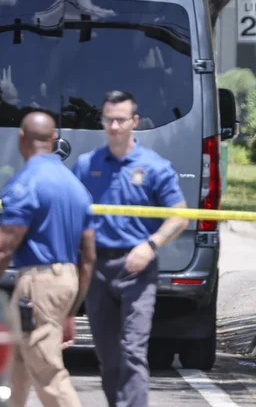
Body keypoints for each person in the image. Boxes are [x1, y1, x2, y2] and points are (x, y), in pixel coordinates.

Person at [72, 91, 189, 406]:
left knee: (132, 352)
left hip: (137, 270)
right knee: (108, 357)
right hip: (97, 269)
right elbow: (71, 212)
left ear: (134, 121)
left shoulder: (154, 166)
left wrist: (150, 246)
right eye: (109, 119)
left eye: (121, 119)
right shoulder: (87, 165)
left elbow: (179, 215)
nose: (114, 126)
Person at [0, 111, 96, 407]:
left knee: (47, 371)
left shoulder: (26, 182)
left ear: (21, 138)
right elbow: (90, 255)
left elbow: (5, 246)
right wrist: (72, 308)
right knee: (17, 364)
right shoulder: (75, 186)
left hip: (38, 283)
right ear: (54, 139)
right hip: (65, 279)